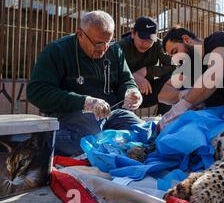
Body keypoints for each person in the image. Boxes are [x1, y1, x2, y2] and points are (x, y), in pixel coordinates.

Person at [27, 10, 143, 157]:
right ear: (80, 34)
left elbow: (126, 80)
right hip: (73, 114)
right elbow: (37, 91)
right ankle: (35, 145)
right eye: (98, 43)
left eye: (108, 42)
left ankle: (106, 147)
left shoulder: (114, 50)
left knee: (140, 129)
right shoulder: (57, 51)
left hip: (111, 113)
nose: (104, 48)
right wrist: (85, 102)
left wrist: (131, 91)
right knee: (89, 138)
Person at [118, 17, 175, 114]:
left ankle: (163, 120)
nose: (145, 43)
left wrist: (146, 71)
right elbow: (112, 75)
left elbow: (174, 67)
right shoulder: (120, 46)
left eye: (150, 39)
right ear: (133, 34)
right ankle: (122, 118)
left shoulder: (158, 45)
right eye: (142, 38)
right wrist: (133, 77)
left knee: (173, 79)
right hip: (124, 95)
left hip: (147, 92)